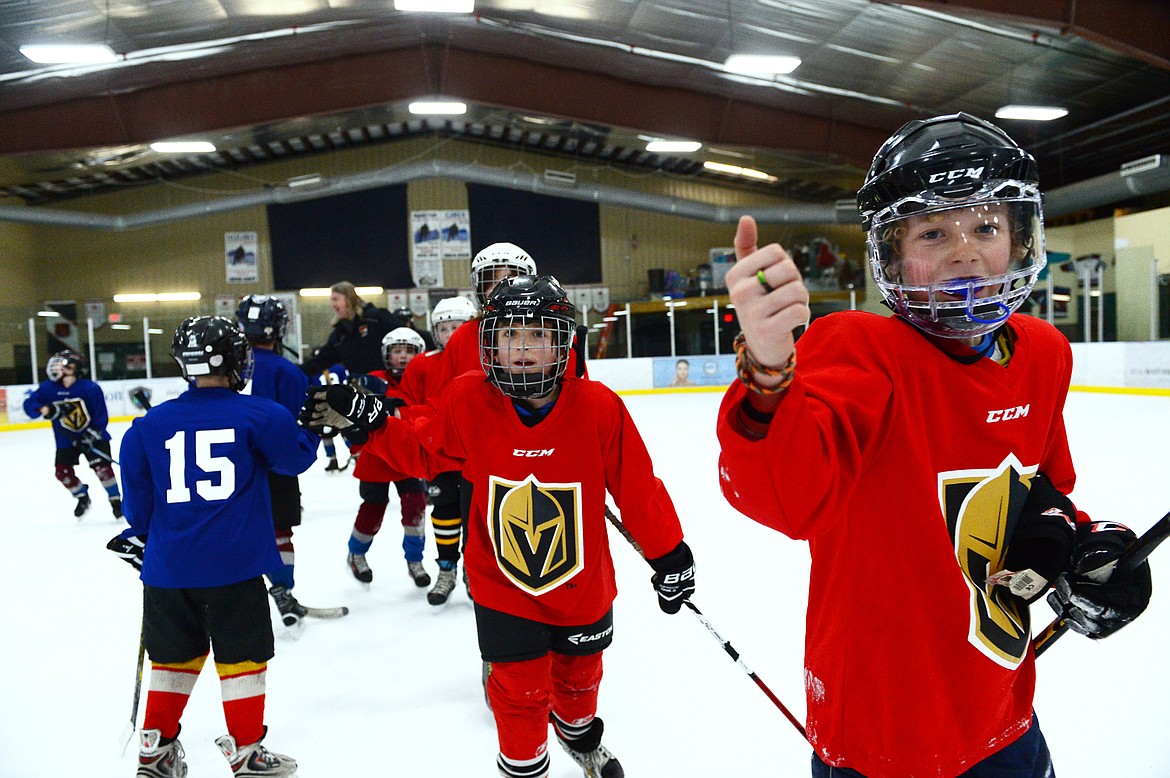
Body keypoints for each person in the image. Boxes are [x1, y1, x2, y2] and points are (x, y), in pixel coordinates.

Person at [715, 113, 1153, 778]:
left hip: (1002, 716)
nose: (966, 251)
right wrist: (771, 372)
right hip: (880, 737)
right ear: (892, 251)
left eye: (986, 226)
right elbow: (788, 501)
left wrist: (1087, 547)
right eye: (934, 231)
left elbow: (1036, 488)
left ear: (1019, 236)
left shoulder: (1042, 355)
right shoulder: (861, 351)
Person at [302, 275, 696, 778]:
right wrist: (372, 423)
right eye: (510, 335)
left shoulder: (598, 407)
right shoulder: (470, 398)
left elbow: (638, 488)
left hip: (582, 585)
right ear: (491, 344)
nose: (524, 348)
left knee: (579, 683)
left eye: (537, 334)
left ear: (561, 341)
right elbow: (425, 451)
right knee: (518, 691)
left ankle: (577, 735)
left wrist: (670, 556)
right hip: (502, 585)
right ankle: (525, 765)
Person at [108, 315, 317, 778]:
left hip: (167, 572)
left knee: (171, 659)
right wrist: (317, 425)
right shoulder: (261, 414)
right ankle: (247, 753)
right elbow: (294, 460)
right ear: (239, 360)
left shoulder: (145, 427)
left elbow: (139, 515)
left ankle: (155, 752)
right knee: (242, 658)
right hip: (235, 568)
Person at [237, 294, 340, 631]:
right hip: (275, 466)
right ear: (278, 329)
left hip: (230, 468)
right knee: (279, 530)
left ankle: (237, 597)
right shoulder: (287, 372)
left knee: (234, 529)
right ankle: (282, 591)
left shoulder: (226, 366)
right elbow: (303, 424)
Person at [400, 294, 478, 605]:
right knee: (444, 514)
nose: (450, 335)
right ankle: (447, 570)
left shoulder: (483, 361)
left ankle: (474, 571)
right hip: (440, 458)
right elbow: (408, 406)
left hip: (477, 457)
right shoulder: (422, 364)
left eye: (457, 328)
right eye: (443, 328)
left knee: (476, 517)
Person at [344, 326, 431, 589]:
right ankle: (356, 553)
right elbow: (354, 416)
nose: (402, 357)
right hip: (376, 459)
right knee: (373, 509)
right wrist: (355, 442)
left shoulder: (421, 381)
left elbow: (428, 413)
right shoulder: (372, 380)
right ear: (386, 354)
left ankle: (415, 560)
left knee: (415, 506)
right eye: (396, 351)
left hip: (409, 458)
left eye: (409, 351)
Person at [23, 349, 123, 519]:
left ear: (75, 368)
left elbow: (100, 417)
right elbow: (29, 406)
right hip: (66, 439)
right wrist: (43, 408)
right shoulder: (48, 388)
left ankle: (115, 501)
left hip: (93, 437)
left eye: (65, 365)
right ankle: (82, 496)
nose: (59, 369)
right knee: (62, 472)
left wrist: (91, 436)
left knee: (103, 469)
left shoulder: (90, 388)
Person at [300, 281, 404, 377]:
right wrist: (294, 371)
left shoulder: (376, 318)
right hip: (360, 390)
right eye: (331, 300)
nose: (333, 305)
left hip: (386, 385)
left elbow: (405, 335)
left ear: (349, 299)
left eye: (336, 299)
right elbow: (320, 361)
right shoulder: (339, 335)